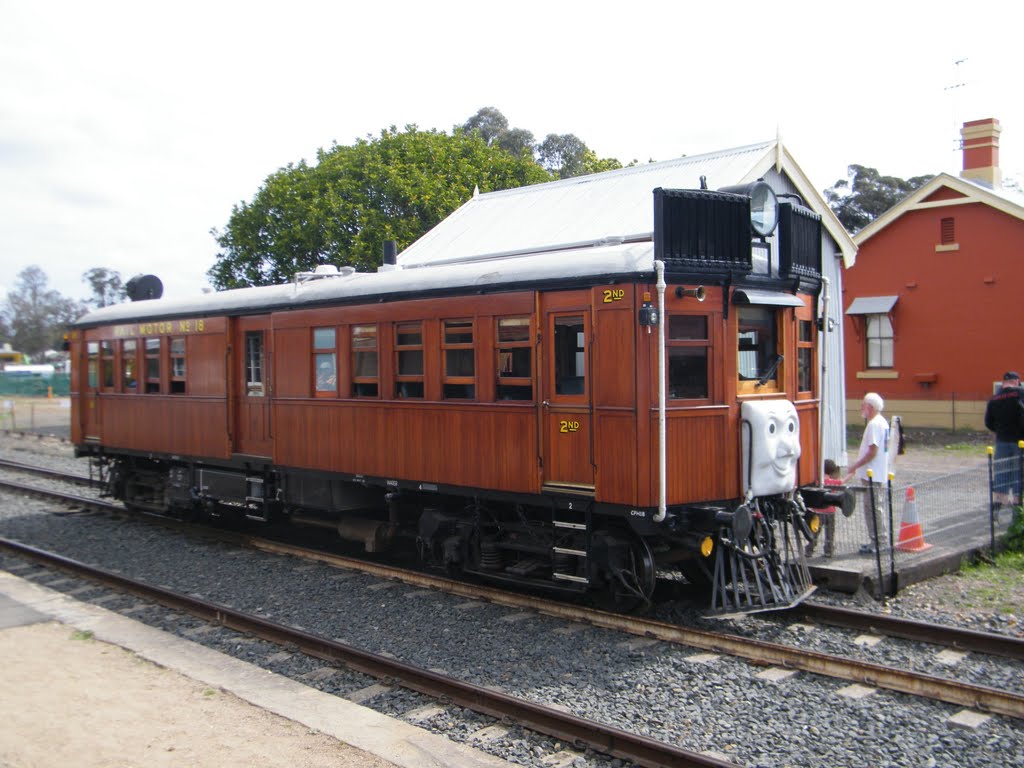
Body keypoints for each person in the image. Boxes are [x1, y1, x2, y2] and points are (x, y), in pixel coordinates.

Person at [844, 393, 889, 554]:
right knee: (874, 507)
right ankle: (876, 540)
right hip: (875, 472)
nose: (861, 408)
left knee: (873, 508)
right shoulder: (881, 422)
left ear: (869, 407)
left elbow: (872, 451)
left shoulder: (874, 425)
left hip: (873, 474)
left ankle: (879, 542)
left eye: (863, 405)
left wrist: (855, 465)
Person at [984, 371, 1024, 507]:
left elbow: (988, 422)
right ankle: (1018, 508)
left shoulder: (994, 398)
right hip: (1020, 442)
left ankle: (998, 505)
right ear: (1017, 381)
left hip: (1001, 441)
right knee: (1019, 473)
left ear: (1003, 383)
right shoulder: (1021, 394)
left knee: (1001, 472)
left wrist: (1000, 431)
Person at [806, 459, 841, 558]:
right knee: (830, 532)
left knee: (815, 531)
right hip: (830, 511)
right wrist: (851, 473)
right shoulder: (834, 482)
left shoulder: (818, 481)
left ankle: (809, 549)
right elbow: (843, 481)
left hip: (818, 511)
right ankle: (828, 550)